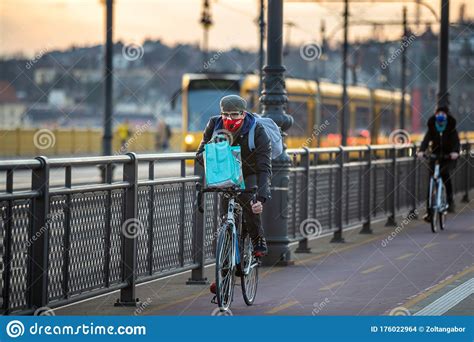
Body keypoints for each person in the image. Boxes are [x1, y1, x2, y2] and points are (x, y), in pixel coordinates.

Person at [196, 95, 272, 294]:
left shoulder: (257, 130)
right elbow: (199, 154)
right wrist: (211, 157)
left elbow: (265, 167)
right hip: (227, 174)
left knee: (249, 205)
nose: (230, 118)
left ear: (243, 113)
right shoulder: (214, 125)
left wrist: (261, 198)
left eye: (234, 115)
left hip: (251, 173)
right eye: (225, 114)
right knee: (226, 223)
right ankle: (223, 277)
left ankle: (258, 240)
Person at [417, 107, 460, 221]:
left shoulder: (451, 128)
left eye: (443, 113)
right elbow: (426, 141)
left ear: (446, 115)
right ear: (435, 115)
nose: (440, 115)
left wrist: (455, 152)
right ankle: (429, 213)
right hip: (434, 156)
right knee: (431, 182)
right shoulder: (432, 127)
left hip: (447, 156)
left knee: (445, 176)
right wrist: (422, 151)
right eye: (438, 113)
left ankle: (450, 202)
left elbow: (456, 142)